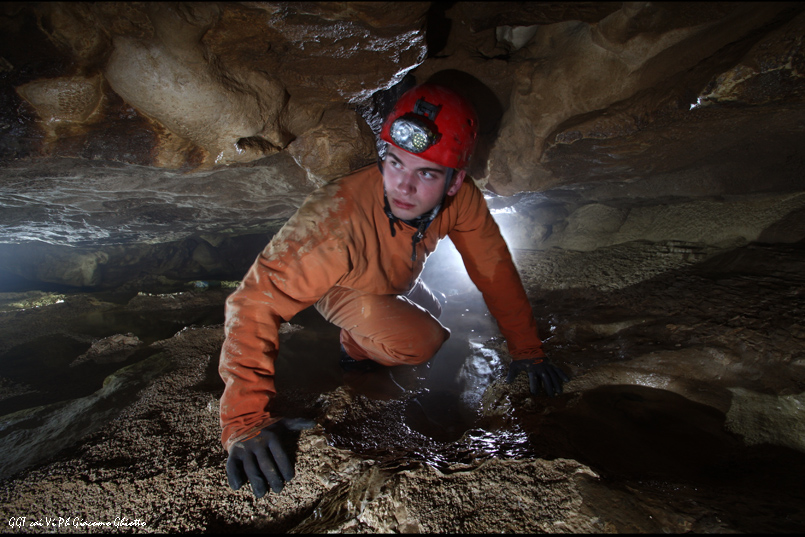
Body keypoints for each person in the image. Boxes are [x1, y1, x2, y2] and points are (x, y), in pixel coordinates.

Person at [219, 83, 570, 498]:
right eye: (395, 162)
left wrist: (528, 349)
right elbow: (253, 300)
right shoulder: (334, 218)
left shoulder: (463, 200)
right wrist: (244, 420)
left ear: (455, 181)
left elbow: (493, 270)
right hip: (341, 286)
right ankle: (354, 349)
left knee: (432, 304)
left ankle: (372, 327)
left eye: (426, 173)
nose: (402, 186)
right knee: (424, 340)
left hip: (391, 280)